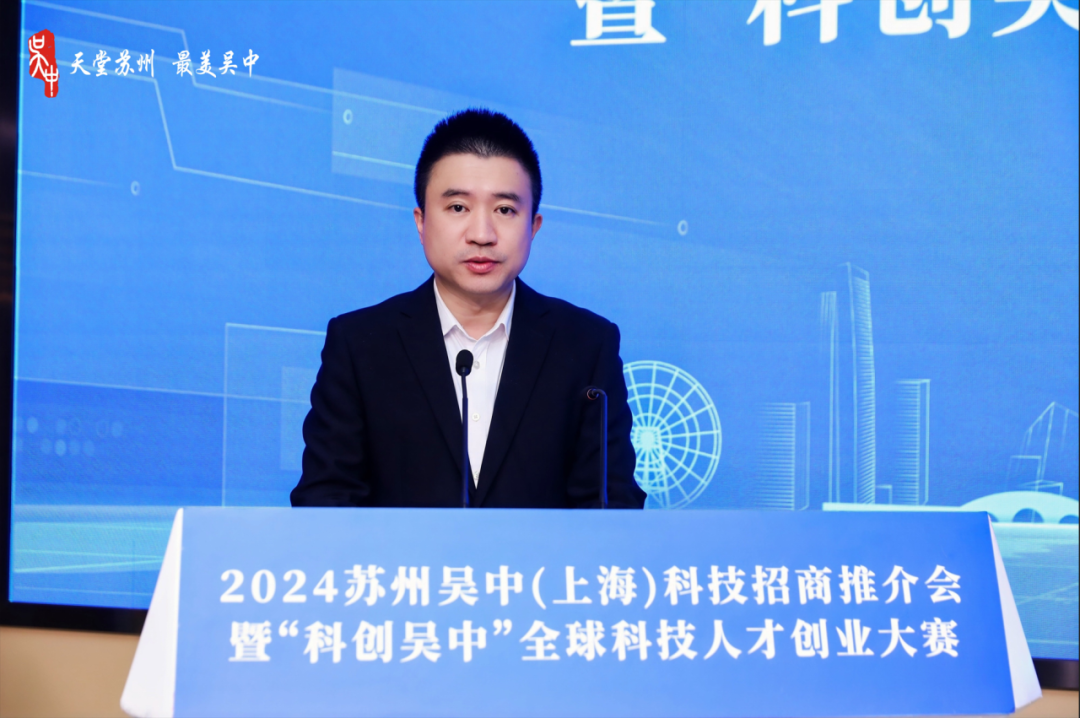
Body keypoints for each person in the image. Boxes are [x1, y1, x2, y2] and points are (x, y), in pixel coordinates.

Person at [290, 109, 644, 509]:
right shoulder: (360, 344)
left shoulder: (586, 345)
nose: (481, 235)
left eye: (505, 210)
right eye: (458, 207)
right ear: (421, 222)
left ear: (534, 226)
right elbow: (325, 501)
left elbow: (612, 507)